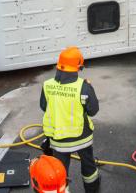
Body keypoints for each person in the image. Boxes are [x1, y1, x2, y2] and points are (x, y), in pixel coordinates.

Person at [40, 47, 100, 193]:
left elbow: (43, 107)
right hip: (82, 138)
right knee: (88, 166)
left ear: (59, 65)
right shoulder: (84, 87)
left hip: (58, 141)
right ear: (78, 67)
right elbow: (93, 111)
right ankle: (92, 189)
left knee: (60, 171)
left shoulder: (47, 85)